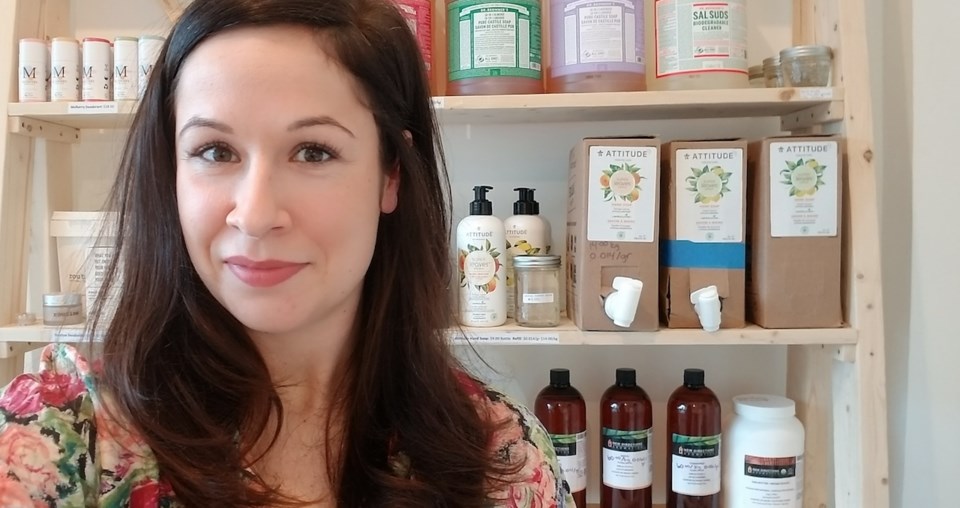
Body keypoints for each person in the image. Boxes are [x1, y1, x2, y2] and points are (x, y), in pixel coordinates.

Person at [0, 0, 576, 506]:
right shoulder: (59, 437)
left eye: (313, 152)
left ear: (391, 175)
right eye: (214, 150)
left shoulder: (501, 458)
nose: (254, 214)